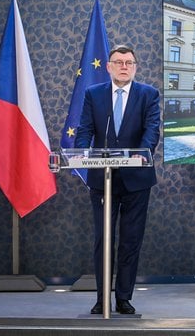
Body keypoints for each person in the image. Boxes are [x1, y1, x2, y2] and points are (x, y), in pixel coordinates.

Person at [74, 45, 160, 315]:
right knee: (103, 239)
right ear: (109, 66)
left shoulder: (149, 94)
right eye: (119, 62)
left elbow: (151, 130)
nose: (124, 66)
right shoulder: (93, 94)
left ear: (135, 67)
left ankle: (123, 297)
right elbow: (85, 129)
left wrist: (140, 155)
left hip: (137, 178)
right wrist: (80, 155)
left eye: (129, 63)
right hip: (103, 179)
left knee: (130, 241)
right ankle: (102, 298)